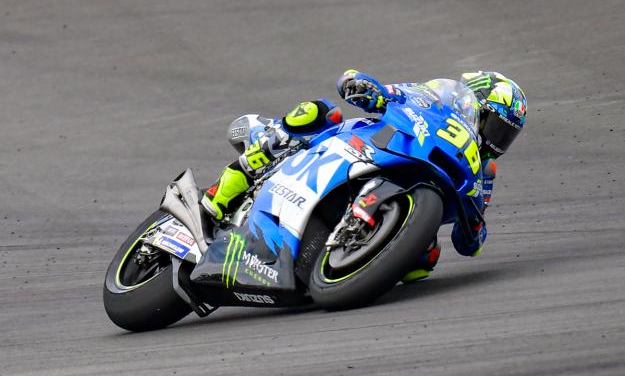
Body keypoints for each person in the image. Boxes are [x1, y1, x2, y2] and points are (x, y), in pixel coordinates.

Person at [200, 70, 526, 280]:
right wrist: (368, 89)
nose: (496, 140)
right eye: (495, 126)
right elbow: (365, 86)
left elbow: (470, 243)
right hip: (368, 145)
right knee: (318, 113)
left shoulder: (483, 171)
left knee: (424, 261)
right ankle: (224, 190)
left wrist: (476, 225)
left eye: (505, 135)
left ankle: (349, 268)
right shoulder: (431, 98)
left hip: (413, 190)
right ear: (477, 106)